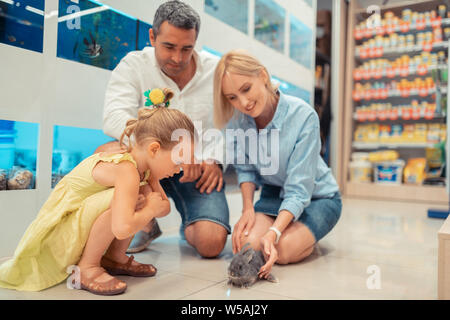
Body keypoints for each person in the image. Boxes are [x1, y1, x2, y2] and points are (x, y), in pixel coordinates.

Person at [0, 89, 196, 295]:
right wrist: (148, 210)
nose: (179, 169)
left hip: (82, 220)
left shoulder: (145, 169)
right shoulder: (127, 170)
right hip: (62, 225)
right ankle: (87, 268)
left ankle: (114, 258)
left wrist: (150, 206)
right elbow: (123, 227)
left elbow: (163, 208)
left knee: (134, 202)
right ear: (154, 149)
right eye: (179, 161)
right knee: (130, 203)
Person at [99, 0, 229, 257]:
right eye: (169, 46)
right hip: (147, 169)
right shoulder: (133, 65)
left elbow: (232, 121)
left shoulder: (215, 71)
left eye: (187, 49)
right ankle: (146, 222)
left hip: (198, 170)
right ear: (152, 36)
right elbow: (113, 118)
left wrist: (215, 159)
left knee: (211, 244)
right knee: (106, 151)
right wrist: (167, 151)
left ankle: (190, 223)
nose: (177, 58)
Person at [214, 50, 342, 279]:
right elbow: (245, 170)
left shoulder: (303, 116)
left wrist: (274, 231)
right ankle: (296, 233)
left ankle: (303, 238)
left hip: (318, 197)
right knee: (248, 243)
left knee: (281, 250)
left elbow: (299, 189)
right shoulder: (237, 121)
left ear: (262, 76)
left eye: (246, 89)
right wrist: (247, 209)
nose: (243, 103)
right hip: (275, 193)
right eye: (232, 97)